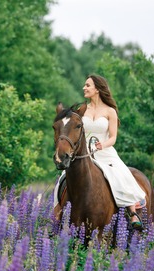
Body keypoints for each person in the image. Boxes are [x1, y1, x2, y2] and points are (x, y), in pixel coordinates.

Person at [54, 74, 145, 228]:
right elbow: (73, 130)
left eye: (88, 85)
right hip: (83, 153)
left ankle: (133, 212)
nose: (84, 88)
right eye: (84, 85)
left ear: (97, 89)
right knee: (63, 178)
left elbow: (113, 137)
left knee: (121, 174)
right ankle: (57, 212)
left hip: (105, 151)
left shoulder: (110, 111)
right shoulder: (81, 111)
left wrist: (102, 145)